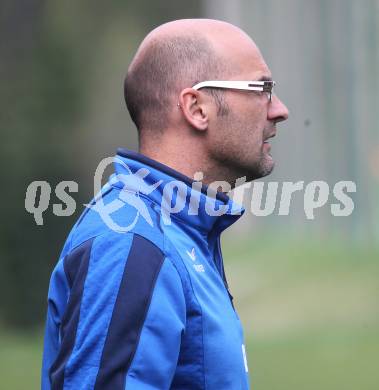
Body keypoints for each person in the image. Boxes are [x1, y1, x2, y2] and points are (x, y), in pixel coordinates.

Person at [41, 18, 288, 390]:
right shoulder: (131, 243)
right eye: (261, 88)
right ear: (197, 108)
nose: (279, 109)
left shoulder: (179, 231)